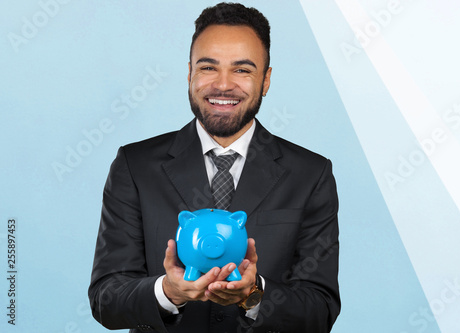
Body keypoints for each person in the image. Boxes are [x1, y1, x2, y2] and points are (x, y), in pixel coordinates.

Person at [89, 2, 340, 333]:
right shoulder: (135, 166)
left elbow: (320, 310)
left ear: (265, 80)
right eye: (208, 68)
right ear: (189, 74)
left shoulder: (311, 174)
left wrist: (253, 294)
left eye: (242, 70)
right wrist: (168, 292)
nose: (223, 85)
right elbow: (106, 300)